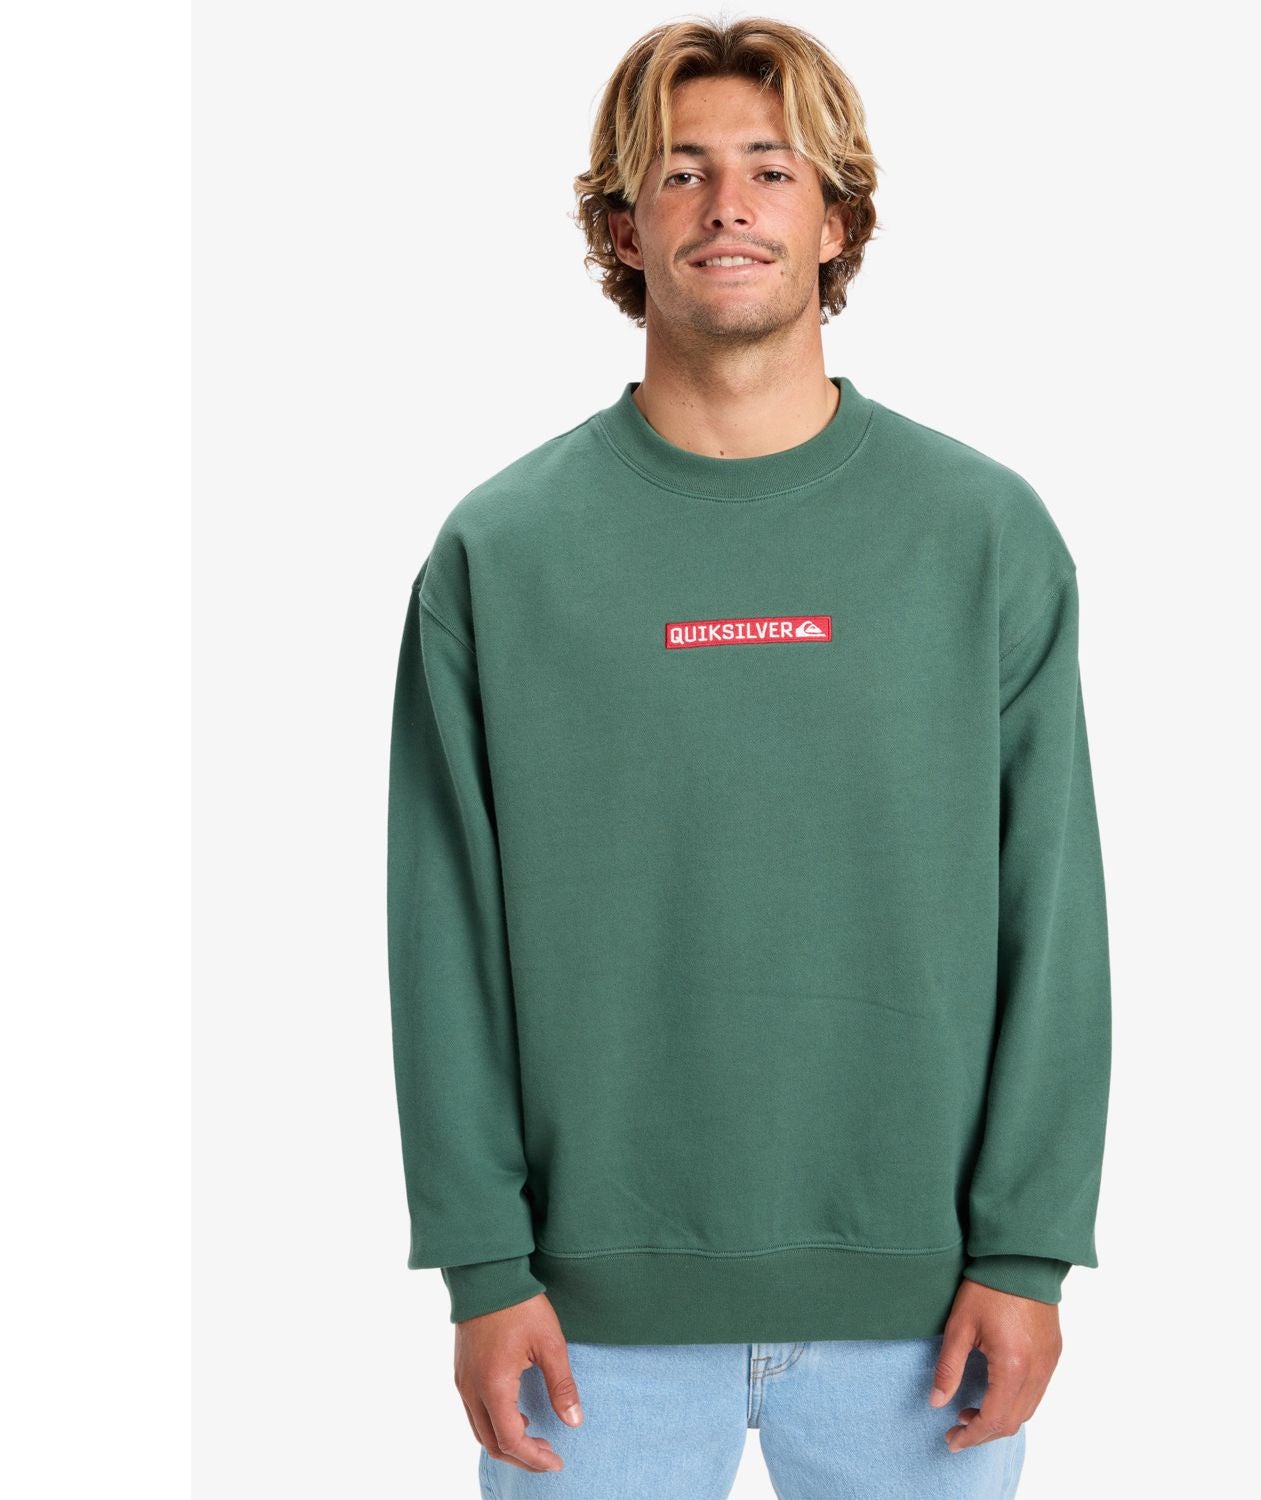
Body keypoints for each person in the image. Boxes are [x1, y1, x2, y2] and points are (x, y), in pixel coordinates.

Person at [386, 16, 1112, 1498]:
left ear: (836, 220)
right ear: (621, 227)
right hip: (580, 1329)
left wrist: (1028, 1250)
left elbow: (1053, 912)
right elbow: (440, 933)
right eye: (682, 171)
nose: (729, 205)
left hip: (928, 1319)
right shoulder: (504, 551)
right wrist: (481, 1265)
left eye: (773, 171)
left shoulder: (980, 533)